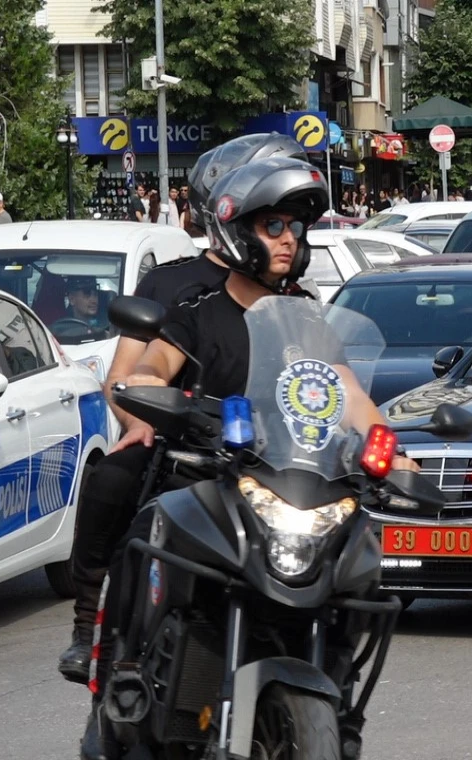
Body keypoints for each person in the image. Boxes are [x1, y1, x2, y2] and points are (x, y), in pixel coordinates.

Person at [78, 157, 418, 760]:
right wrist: (150, 405)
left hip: (293, 485)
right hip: (210, 476)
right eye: (275, 226)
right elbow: (150, 370)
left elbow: (352, 398)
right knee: (145, 532)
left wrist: (397, 458)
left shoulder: (307, 324)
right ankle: (124, 668)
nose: (290, 240)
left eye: (296, 228)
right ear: (238, 231)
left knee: (356, 571)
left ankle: (331, 698)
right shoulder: (196, 312)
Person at [58, 132, 311, 687]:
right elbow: (125, 377)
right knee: (112, 478)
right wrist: (142, 418)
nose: (285, 231)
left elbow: (327, 385)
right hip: (187, 450)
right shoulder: (172, 284)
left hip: (272, 459)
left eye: (290, 220)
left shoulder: (295, 300)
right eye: (269, 215)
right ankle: (88, 627)